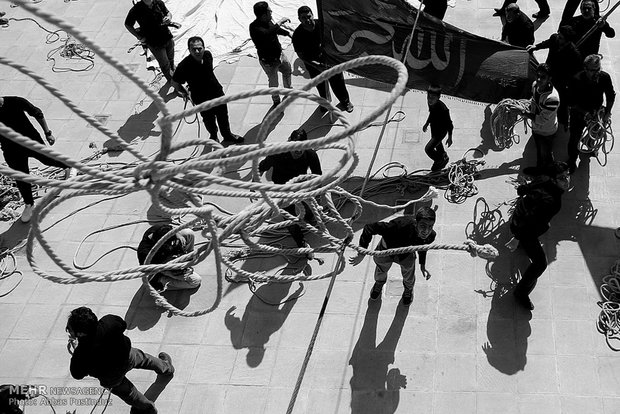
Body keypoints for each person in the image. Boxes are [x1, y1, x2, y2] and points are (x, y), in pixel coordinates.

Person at [67, 307, 174, 414]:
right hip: (127, 356)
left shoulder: (82, 353)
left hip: (110, 377)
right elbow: (122, 324)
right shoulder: (109, 322)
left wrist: (77, 349)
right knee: (147, 360)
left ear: (81, 333)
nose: (69, 331)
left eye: (70, 329)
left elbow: (77, 374)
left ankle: (146, 408)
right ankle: (167, 368)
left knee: (130, 394)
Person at [0, 96, 75, 223]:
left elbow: (37, 113)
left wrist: (48, 133)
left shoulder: (15, 102)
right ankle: (29, 204)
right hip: (11, 150)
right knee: (21, 177)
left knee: (47, 159)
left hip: (30, 141)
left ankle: (68, 165)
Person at [506, 162, 570, 310]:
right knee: (540, 264)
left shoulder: (543, 179)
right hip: (523, 228)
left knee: (545, 225)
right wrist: (517, 238)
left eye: (567, 175)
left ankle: (521, 243)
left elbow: (523, 189)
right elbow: (530, 220)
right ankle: (520, 293)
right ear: (554, 180)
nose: (566, 180)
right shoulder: (552, 202)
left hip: (518, 218)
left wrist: (524, 192)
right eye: (562, 177)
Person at [349, 207, 437, 307]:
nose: (426, 230)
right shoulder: (398, 225)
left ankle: (408, 289)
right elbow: (370, 228)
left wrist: (422, 265)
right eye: (423, 226)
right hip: (385, 251)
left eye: (430, 226)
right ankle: (379, 283)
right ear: (416, 223)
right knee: (381, 270)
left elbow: (422, 247)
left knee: (409, 273)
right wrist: (362, 253)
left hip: (405, 254)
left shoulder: (430, 236)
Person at [258, 129, 321, 255]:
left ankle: (310, 217)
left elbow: (318, 176)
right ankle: (301, 243)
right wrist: (255, 181)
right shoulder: (278, 152)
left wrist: (317, 195)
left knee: (310, 206)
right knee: (289, 217)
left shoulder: (310, 154)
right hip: (282, 188)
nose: (298, 151)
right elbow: (262, 166)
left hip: (300, 187)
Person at [172, 37, 243, 145]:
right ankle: (214, 137)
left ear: (204, 48)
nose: (197, 51)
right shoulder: (184, 66)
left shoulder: (207, 55)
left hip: (217, 93)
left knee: (223, 116)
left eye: (199, 48)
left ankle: (227, 135)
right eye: (193, 49)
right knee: (209, 120)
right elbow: (175, 83)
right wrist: (185, 93)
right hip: (201, 98)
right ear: (189, 50)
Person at [292, 6, 354, 113]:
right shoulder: (297, 35)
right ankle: (325, 103)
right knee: (321, 86)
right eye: (303, 18)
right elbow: (301, 55)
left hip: (330, 62)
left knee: (338, 84)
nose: (307, 20)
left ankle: (345, 102)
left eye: (309, 16)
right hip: (313, 66)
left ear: (312, 15)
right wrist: (316, 65)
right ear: (299, 19)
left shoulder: (323, 25)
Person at [566, 54, 615, 173]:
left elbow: (610, 95)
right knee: (574, 138)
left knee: (595, 133)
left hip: (596, 112)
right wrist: (585, 113)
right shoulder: (576, 79)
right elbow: (571, 101)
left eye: (598, 69)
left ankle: (589, 144)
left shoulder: (604, 77)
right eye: (593, 70)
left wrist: (607, 112)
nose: (596, 72)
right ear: (585, 68)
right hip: (579, 113)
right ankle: (572, 161)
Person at [526, 26, 582, 125]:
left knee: (561, 102)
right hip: (547, 73)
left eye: (561, 37)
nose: (558, 37)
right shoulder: (555, 38)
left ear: (568, 41)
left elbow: (575, 72)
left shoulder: (574, 54)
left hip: (560, 79)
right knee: (540, 92)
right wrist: (536, 47)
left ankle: (562, 122)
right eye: (558, 35)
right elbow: (548, 43)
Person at [249, 1, 293, 106]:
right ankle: (276, 100)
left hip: (279, 55)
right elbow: (267, 33)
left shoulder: (268, 21)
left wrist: (288, 33)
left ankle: (288, 90)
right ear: (264, 15)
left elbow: (275, 30)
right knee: (274, 83)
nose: (271, 13)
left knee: (287, 70)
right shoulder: (255, 28)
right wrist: (280, 21)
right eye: (269, 11)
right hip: (269, 62)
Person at [137, 223, 202, 292]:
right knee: (195, 281)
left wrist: (178, 235)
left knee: (188, 233)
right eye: (171, 243)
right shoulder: (147, 253)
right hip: (159, 269)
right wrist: (181, 268)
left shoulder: (159, 228)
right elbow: (160, 267)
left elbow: (171, 228)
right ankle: (162, 282)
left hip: (166, 257)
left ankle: (189, 255)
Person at [125, 0, 176, 82]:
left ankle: (173, 73)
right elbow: (128, 24)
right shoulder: (136, 10)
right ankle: (173, 82)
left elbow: (167, 12)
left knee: (171, 58)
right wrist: (139, 37)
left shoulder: (158, 3)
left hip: (167, 37)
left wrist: (168, 17)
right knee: (165, 64)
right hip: (154, 43)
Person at [521, 64, 560, 168]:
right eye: (537, 75)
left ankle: (546, 173)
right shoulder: (535, 85)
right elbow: (533, 101)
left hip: (547, 131)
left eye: (543, 77)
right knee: (540, 151)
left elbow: (542, 120)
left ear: (549, 79)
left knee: (545, 155)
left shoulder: (552, 98)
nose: (539, 79)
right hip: (536, 128)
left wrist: (525, 114)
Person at [422, 85, 453, 172]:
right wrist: (427, 123)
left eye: (433, 97)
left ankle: (439, 160)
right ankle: (444, 156)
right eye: (428, 97)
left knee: (428, 149)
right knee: (438, 145)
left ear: (438, 97)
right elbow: (431, 114)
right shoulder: (431, 103)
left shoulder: (444, 110)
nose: (430, 99)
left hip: (441, 132)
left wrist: (450, 137)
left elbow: (449, 124)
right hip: (434, 128)